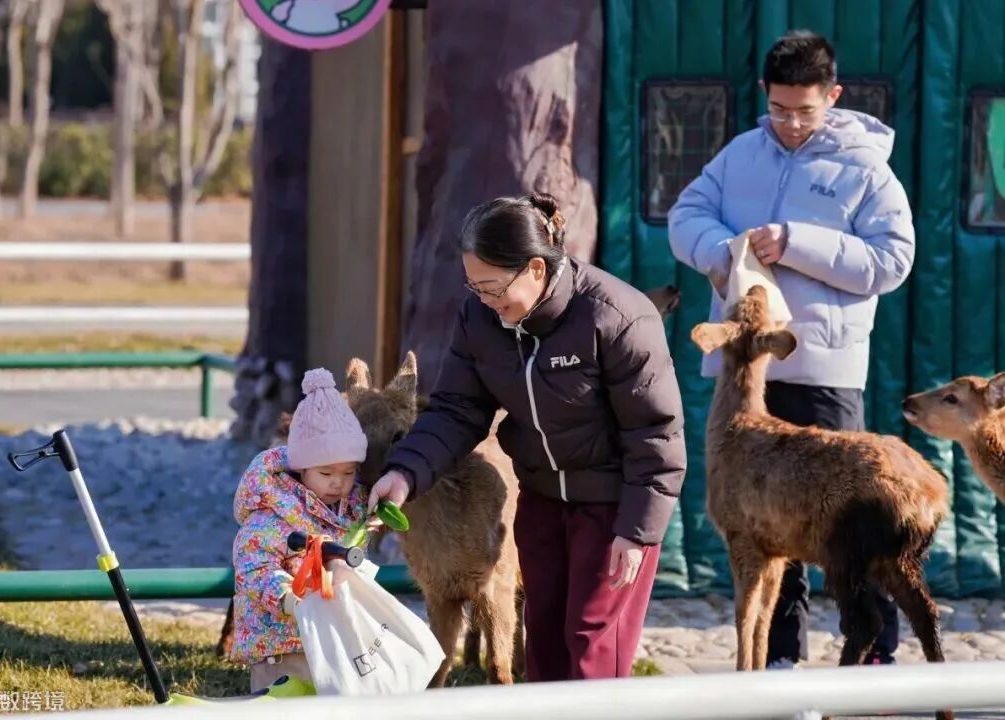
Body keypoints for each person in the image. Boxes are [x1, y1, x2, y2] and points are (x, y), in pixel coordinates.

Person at [668, 30, 915, 668]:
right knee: (763, 523)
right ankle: (780, 660)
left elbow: (893, 261)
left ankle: (875, 658)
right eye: (779, 109)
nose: (792, 124)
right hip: (749, 379)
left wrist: (796, 242)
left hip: (823, 374)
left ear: (833, 95)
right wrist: (724, 251)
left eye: (805, 110)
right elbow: (685, 215)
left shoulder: (867, 168)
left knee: (849, 520)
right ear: (764, 94)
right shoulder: (739, 155)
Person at [367, 192, 687, 681]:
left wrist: (636, 532)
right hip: (541, 501)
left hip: (613, 509)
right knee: (544, 642)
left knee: (591, 645)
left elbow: (656, 434)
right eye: (473, 286)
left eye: (492, 286)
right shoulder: (480, 318)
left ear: (536, 268)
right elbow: (456, 411)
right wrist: (405, 473)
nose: (484, 300)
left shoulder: (617, 316)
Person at [229, 368, 370, 692]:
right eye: (326, 473)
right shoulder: (271, 514)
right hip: (280, 643)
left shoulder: (348, 509)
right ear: (301, 467)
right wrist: (288, 599)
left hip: (330, 637)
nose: (338, 483)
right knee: (283, 705)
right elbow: (254, 568)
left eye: (349, 472)